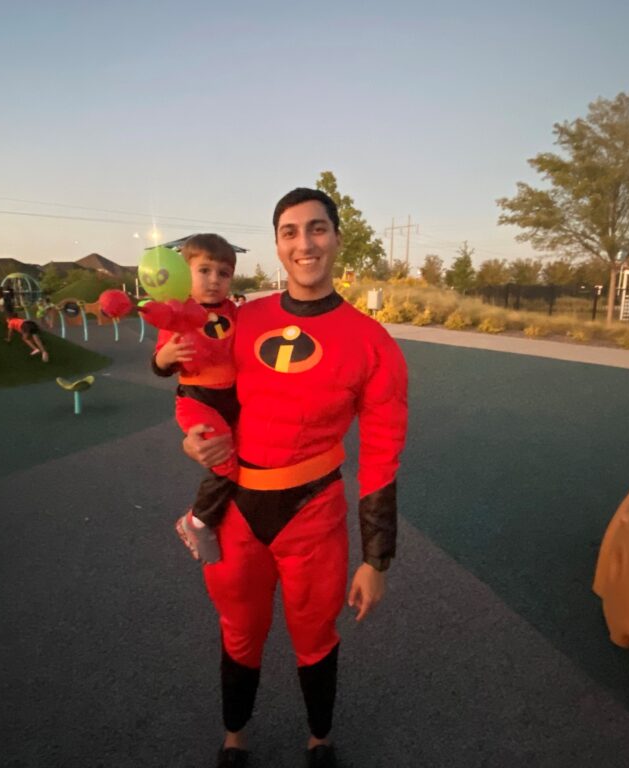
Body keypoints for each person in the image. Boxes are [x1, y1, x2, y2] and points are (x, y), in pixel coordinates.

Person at [182, 188, 408, 768]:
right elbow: (203, 386)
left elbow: (382, 454)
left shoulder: (373, 343)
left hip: (313, 513)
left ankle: (319, 740)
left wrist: (375, 559)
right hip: (238, 511)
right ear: (278, 244)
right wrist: (193, 436)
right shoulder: (243, 319)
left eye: (316, 229)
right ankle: (235, 739)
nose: (304, 243)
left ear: (336, 236)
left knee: (316, 638)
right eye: (289, 231)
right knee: (238, 631)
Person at [150, 234, 239, 564]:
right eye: (204, 270)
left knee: (244, 458)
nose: (214, 280)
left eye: (223, 273)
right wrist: (167, 355)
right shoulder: (176, 313)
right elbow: (160, 365)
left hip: (233, 397)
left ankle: (226, 519)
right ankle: (197, 520)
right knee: (226, 460)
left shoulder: (232, 310)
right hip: (197, 400)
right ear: (184, 272)